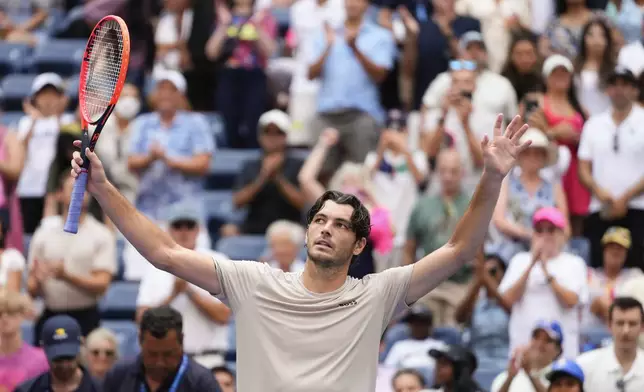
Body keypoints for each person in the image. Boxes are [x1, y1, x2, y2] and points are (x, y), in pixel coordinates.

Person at [69, 114, 531, 390]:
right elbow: (165, 252)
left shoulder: (380, 293)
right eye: (320, 220)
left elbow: (459, 247)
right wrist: (105, 189)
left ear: (359, 244)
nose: (327, 230)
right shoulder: (254, 282)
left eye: (341, 225)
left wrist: (491, 178)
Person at [102, 306, 222, 391]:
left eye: (168, 354)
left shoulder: (202, 382)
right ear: (139, 340)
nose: (160, 363)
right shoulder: (118, 375)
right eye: (152, 354)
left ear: (181, 341)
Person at [15, 315, 100, 392]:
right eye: (58, 359)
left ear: (81, 344)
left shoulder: (101, 388)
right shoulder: (27, 389)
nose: (64, 365)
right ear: (43, 348)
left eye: (69, 358)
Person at [576, 297, 644, 391]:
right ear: (609, 325)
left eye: (632, 324)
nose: (626, 331)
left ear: (642, 327)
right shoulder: (584, 366)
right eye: (620, 323)